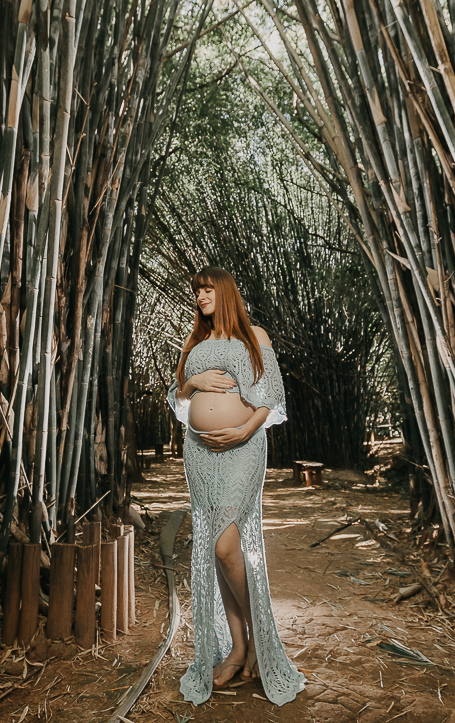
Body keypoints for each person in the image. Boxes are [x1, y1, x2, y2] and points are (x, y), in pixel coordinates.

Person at [166, 266, 306, 707]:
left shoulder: (254, 335)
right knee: (216, 547)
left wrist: (244, 430)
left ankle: (257, 642)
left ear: (224, 292)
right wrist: (195, 381)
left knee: (227, 547)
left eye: (206, 290)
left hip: (243, 448)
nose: (200, 297)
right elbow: (180, 395)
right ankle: (240, 647)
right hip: (200, 452)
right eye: (196, 291)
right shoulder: (196, 341)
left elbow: (272, 396)